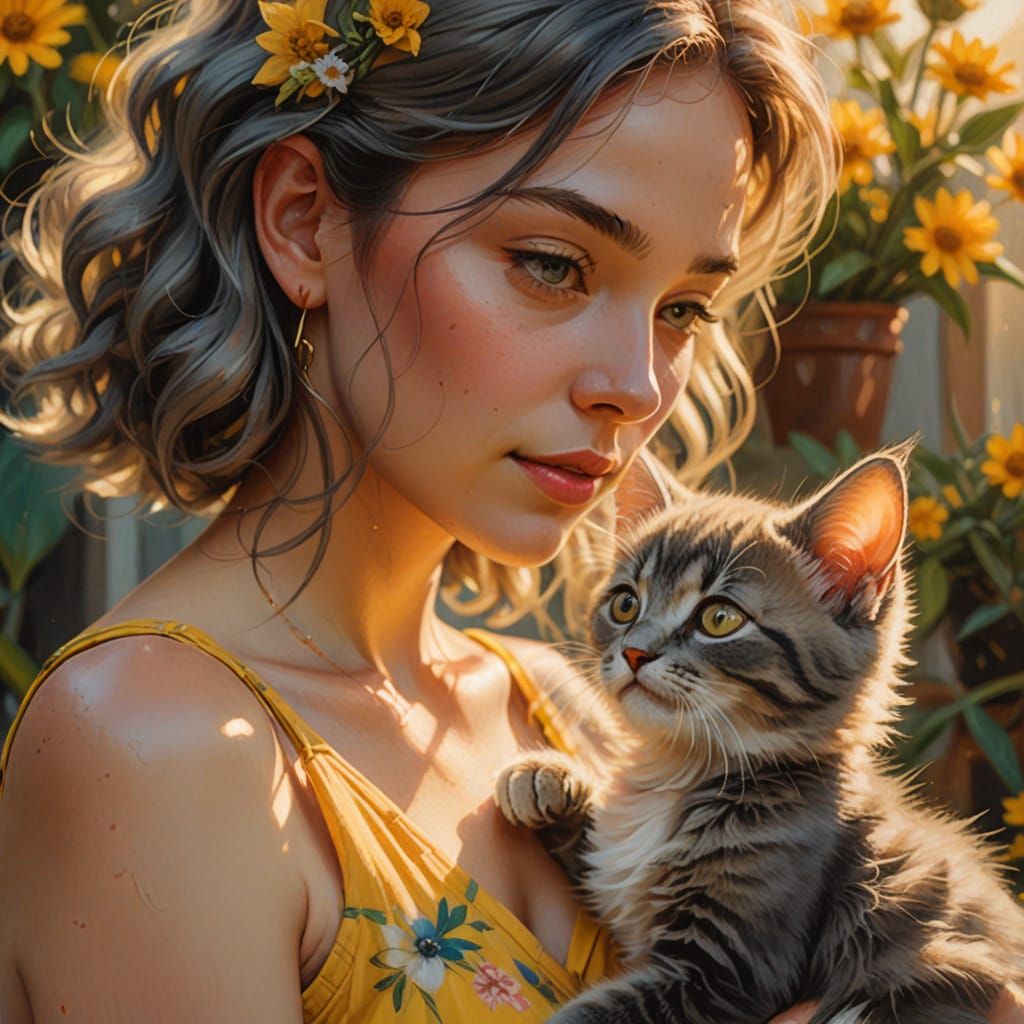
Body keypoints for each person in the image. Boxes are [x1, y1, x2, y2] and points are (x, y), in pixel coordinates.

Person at [0, 0, 1019, 1020]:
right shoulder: (151, 747)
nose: (638, 384)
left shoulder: (558, 709)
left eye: (681, 309)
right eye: (552, 264)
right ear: (304, 220)